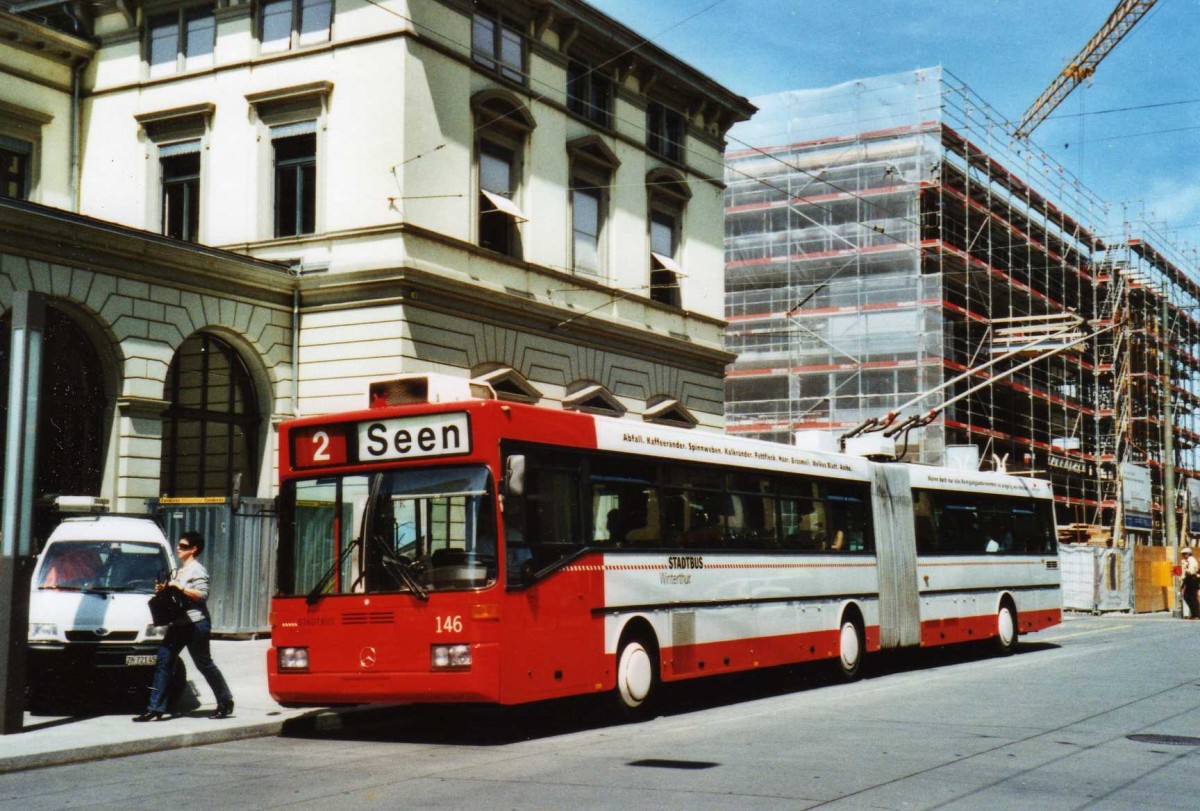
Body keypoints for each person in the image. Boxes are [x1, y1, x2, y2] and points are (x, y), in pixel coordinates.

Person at [133, 531, 235, 721]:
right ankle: (155, 708)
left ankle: (225, 701)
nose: (178, 548)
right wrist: (164, 590)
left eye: (183, 546)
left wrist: (180, 588)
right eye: (179, 545)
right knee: (164, 660)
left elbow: (203, 594)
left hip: (196, 624)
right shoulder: (180, 571)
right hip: (178, 624)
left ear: (193, 549)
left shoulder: (198, 569)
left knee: (203, 664)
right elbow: (176, 596)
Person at [1181, 547, 1200, 621]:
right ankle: (1194, 613)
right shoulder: (1185, 561)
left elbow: (1191, 571)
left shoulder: (1191, 560)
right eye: (1183, 554)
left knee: (1192, 596)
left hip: (1193, 579)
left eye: (1185, 554)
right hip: (1188, 579)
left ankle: (1197, 614)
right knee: (1186, 596)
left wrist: (1186, 568)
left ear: (1189, 554)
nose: (1184, 555)